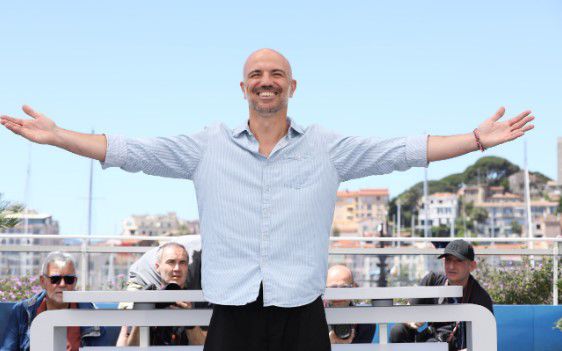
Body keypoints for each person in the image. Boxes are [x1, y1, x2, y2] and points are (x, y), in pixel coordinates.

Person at [0, 48, 533, 351]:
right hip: (232, 316)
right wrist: (58, 135)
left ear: (292, 87)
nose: (266, 81)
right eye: (256, 74)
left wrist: (477, 139)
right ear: (243, 88)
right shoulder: (206, 146)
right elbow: (129, 151)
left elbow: (403, 150)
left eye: (276, 73)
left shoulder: (328, 148)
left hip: (301, 313)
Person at [389, 239, 494, 351]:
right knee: (398, 330)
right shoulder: (433, 280)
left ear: (472, 266)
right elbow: (408, 312)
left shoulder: (480, 298)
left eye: (458, 261)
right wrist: (411, 320)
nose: (451, 266)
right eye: (448, 260)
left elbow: (484, 341)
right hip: (430, 342)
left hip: (457, 348)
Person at [1, 252, 106, 351]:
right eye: (55, 279)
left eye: (69, 279)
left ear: (75, 282)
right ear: (43, 281)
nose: (62, 284)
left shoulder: (92, 316)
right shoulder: (22, 312)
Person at [116, 242, 207, 346]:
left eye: (182, 262)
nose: (177, 268)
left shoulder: (198, 300)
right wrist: (143, 315)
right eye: (171, 262)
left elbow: (205, 346)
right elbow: (124, 346)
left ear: (187, 267)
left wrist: (190, 320)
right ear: (157, 267)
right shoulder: (144, 298)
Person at [325, 265, 376, 344]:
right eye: (333, 288)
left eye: (344, 288)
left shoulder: (365, 322)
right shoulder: (314, 318)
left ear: (354, 288)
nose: (338, 294)